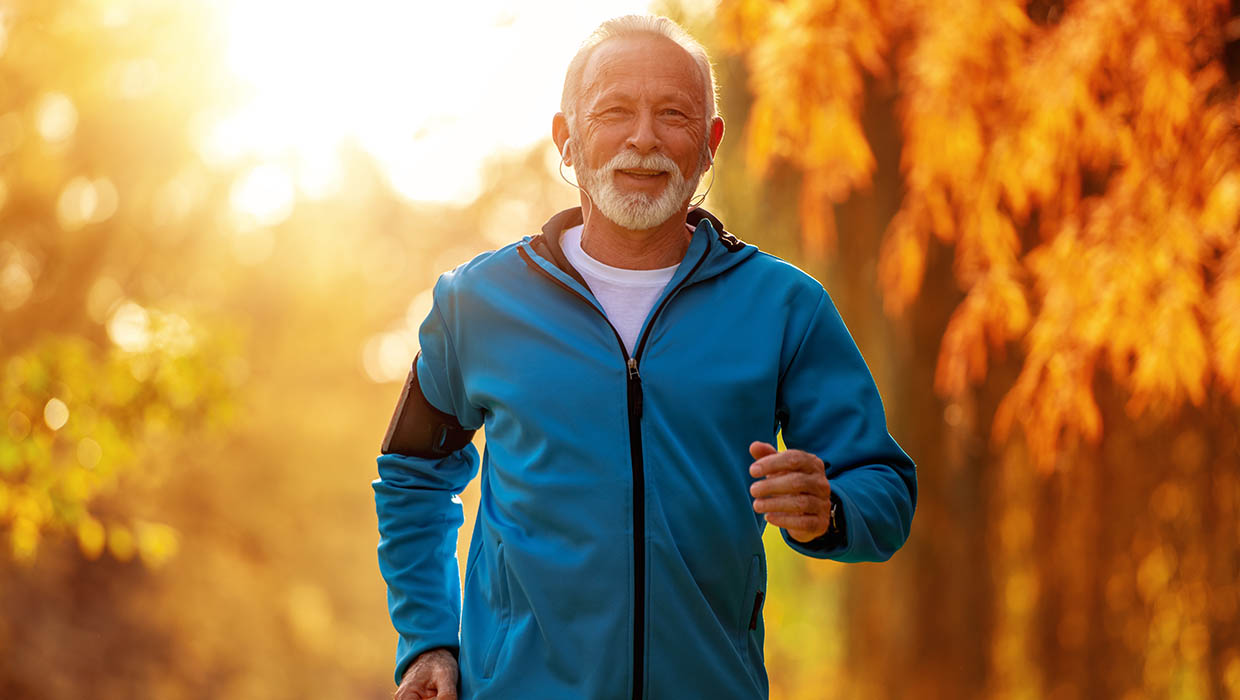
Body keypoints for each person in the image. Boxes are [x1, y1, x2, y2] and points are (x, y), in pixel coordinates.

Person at [372, 14, 916, 700]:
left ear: (711, 144)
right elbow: (412, 472)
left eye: (674, 114)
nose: (644, 137)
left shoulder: (784, 307)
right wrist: (428, 639)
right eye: (614, 112)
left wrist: (830, 508)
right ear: (566, 140)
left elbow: (885, 484)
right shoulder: (475, 304)